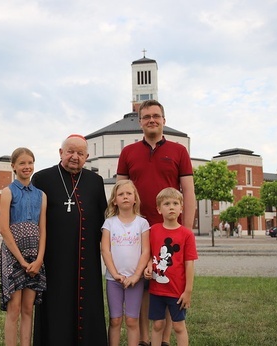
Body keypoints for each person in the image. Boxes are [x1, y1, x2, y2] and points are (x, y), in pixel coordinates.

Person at [116, 99, 196, 346]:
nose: (152, 119)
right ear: (140, 122)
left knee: (169, 283)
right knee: (141, 283)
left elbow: (188, 191)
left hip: (171, 232)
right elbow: (120, 190)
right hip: (137, 230)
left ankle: (164, 340)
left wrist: (187, 230)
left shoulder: (179, 151)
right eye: (147, 116)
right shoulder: (128, 152)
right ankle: (142, 338)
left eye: (156, 116)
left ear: (164, 120)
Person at [32, 134, 108, 346]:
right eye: (70, 152)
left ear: (87, 157)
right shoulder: (42, 178)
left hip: (87, 259)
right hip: (54, 258)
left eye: (80, 153)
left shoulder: (96, 181)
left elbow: (105, 220)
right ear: (60, 153)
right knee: (56, 304)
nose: (75, 157)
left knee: (89, 302)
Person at [0, 147, 47, 346]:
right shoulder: (8, 192)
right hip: (13, 256)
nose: (27, 167)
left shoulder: (41, 195)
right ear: (13, 167)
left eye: (30, 163)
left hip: (35, 257)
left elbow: (43, 229)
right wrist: (22, 260)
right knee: (15, 308)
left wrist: (39, 259)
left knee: (28, 308)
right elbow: (3, 228)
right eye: (22, 163)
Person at [144, 188, 198, 346]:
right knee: (157, 325)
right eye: (167, 204)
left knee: (179, 326)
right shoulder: (153, 230)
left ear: (181, 208)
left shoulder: (187, 234)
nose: (171, 207)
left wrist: (188, 291)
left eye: (175, 203)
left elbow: (189, 264)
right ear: (159, 209)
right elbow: (150, 254)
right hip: (156, 290)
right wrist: (148, 267)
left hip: (177, 291)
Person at [101, 180, 151, 346]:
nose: (125, 197)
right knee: (115, 320)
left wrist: (136, 275)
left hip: (134, 280)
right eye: (121, 194)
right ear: (114, 200)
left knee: (131, 320)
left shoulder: (142, 223)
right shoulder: (109, 223)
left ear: (135, 198)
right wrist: (115, 274)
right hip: (113, 280)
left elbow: (146, 251)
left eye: (129, 194)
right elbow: (105, 250)